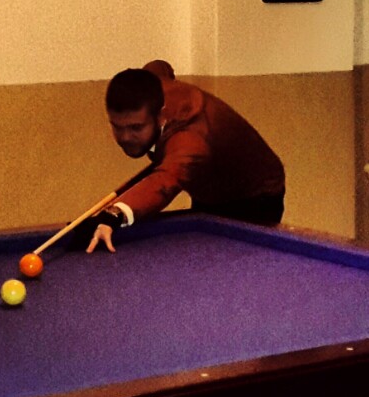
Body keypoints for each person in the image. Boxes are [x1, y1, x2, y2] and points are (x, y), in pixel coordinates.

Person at [80, 60, 286, 253]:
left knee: (233, 265)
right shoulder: (152, 87)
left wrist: (114, 215)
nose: (125, 137)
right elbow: (159, 67)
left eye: (136, 127)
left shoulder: (190, 139)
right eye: (117, 127)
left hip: (254, 195)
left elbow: (165, 180)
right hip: (208, 187)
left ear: (161, 115)